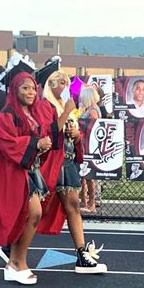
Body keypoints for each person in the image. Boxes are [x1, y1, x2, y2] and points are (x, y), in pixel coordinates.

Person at [37, 69, 107, 274]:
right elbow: (48, 133)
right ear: (49, 84)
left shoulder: (65, 105)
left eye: (67, 83)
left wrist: (76, 135)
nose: (65, 86)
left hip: (67, 163)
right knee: (38, 210)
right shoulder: (44, 105)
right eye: (60, 82)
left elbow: (71, 134)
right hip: (49, 163)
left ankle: (82, 255)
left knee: (73, 206)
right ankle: (12, 246)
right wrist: (67, 112)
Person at [0, 72, 53, 285]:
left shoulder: (32, 113)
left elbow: (40, 137)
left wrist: (44, 144)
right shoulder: (7, 115)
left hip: (30, 169)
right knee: (32, 213)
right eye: (25, 88)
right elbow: (7, 144)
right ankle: (17, 263)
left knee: (29, 215)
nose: (31, 92)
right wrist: (35, 144)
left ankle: (15, 262)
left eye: (33, 88)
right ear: (15, 90)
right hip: (14, 173)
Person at [78, 86, 101, 213]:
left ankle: (91, 203)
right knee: (84, 173)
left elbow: (94, 128)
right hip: (84, 144)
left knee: (90, 175)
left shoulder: (93, 111)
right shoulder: (88, 109)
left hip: (89, 145)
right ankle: (84, 200)